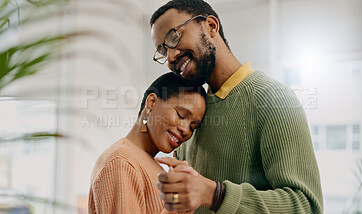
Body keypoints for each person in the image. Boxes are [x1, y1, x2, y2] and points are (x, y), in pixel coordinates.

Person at [150, 0, 324, 213]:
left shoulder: (273, 99)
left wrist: (215, 194)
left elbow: (307, 205)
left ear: (211, 26)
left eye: (174, 37)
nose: (170, 57)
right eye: (162, 50)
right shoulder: (192, 117)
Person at [88, 72, 207, 213]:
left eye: (193, 126)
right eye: (181, 115)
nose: (185, 130)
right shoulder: (121, 162)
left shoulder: (149, 164)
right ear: (151, 102)